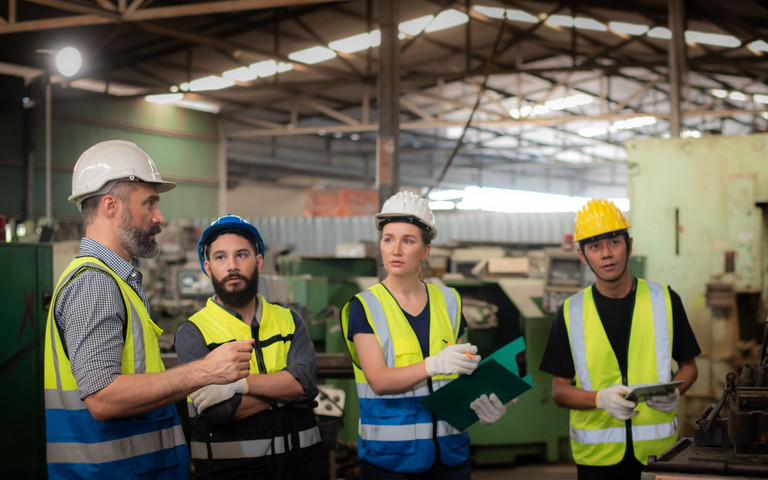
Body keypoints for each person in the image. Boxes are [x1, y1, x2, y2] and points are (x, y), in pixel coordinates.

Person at [44, 140, 254, 479]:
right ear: (111, 206)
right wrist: (206, 371)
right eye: (150, 203)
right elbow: (103, 398)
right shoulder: (95, 284)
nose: (159, 217)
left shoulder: (116, 280)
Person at [340, 191, 508, 479]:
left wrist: (483, 405)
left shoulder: (450, 301)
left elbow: (461, 372)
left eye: (408, 240)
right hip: (390, 461)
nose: (396, 249)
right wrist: (434, 365)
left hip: (451, 455)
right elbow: (378, 380)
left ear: (426, 250)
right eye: (388, 238)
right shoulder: (364, 307)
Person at [539, 198, 701, 480]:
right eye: (594, 246)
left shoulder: (665, 300)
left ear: (630, 245)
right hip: (597, 461)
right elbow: (559, 391)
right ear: (582, 255)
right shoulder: (570, 312)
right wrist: (599, 399)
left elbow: (689, 367)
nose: (606, 254)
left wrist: (676, 391)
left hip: (658, 455)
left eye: (614, 242)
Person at [175, 214, 326, 479]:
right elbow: (218, 411)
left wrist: (239, 386)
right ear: (208, 268)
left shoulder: (289, 320)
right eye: (221, 257)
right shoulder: (193, 333)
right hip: (232, 472)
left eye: (241, 255)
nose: (232, 266)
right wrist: (285, 391)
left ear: (258, 262)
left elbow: (305, 383)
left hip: (304, 467)